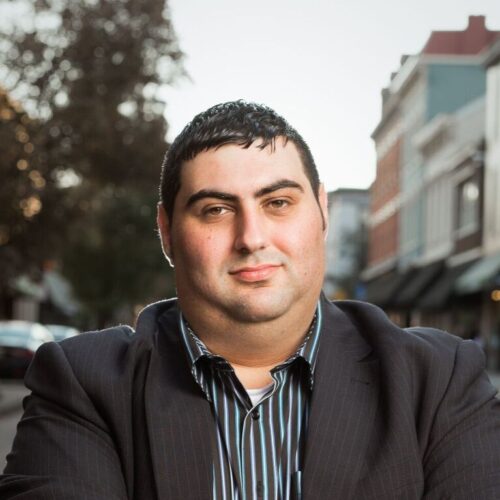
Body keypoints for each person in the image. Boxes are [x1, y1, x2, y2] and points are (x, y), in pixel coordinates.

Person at [1, 101, 500, 499]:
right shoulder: (84, 385)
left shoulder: (439, 382)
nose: (251, 237)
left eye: (278, 202)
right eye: (216, 210)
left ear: (322, 211)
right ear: (167, 232)